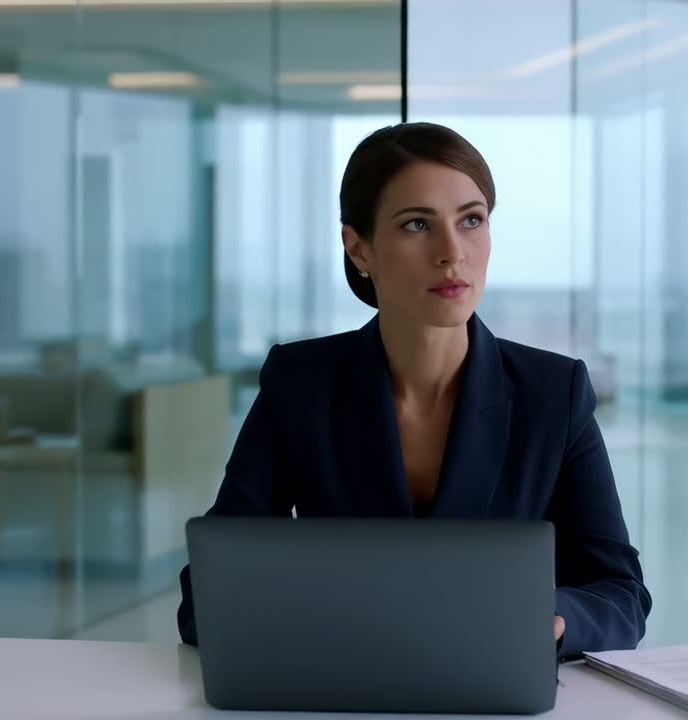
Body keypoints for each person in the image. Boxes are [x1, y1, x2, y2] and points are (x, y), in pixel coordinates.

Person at [177, 122, 651, 659]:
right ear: (359, 249)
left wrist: (553, 620)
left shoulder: (553, 392)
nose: (453, 252)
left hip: (494, 688)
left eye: (471, 220)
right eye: (417, 225)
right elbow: (207, 595)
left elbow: (621, 597)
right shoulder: (300, 383)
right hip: (342, 683)